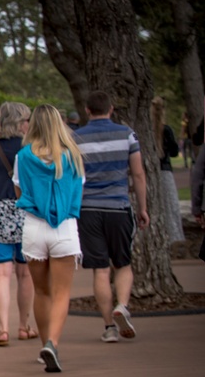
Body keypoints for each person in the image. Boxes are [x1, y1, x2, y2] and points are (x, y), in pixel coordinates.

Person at [73, 91, 149, 343]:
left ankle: (109, 327)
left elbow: (73, 176)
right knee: (123, 263)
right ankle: (123, 305)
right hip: (118, 206)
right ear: (111, 108)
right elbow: (138, 174)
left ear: (87, 110)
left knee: (100, 270)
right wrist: (142, 208)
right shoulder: (127, 134)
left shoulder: (76, 138)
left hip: (88, 210)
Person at [14, 104, 86, 373]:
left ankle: (45, 343)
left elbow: (18, 189)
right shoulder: (72, 156)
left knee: (41, 290)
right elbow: (78, 188)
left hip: (34, 227)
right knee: (62, 292)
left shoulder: (23, 156)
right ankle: (53, 344)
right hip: (64, 227)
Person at [0, 102, 38, 346]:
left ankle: (2, 329)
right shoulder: (30, 149)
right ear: (20, 122)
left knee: (1, 273)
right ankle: (24, 326)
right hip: (24, 211)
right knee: (25, 273)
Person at [150, 97, 185, 243]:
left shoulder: (145, 131)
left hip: (150, 172)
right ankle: (173, 238)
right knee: (170, 207)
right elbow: (175, 152)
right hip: (165, 171)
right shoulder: (167, 130)